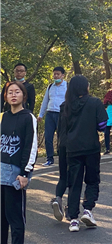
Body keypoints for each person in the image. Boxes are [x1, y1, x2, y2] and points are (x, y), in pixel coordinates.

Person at [62, 75, 108, 232]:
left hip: (72, 149)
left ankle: (73, 219)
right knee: (92, 180)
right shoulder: (94, 102)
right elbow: (102, 125)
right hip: (91, 147)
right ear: (86, 87)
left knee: (74, 183)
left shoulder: (65, 106)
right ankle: (88, 210)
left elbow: (63, 130)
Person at [1, 81, 38, 244]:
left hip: (15, 174)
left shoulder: (28, 117)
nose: (13, 95)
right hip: (0, 171)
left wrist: (25, 173)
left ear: (24, 95)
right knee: (1, 219)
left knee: (15, 218)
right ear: (5, 96)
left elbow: (31, 146)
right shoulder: (3, 117)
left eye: (17, 92)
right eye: (10, 92)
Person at [38, 66, 67, 166]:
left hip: (61, 114)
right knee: (48, 137)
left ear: (63, 75)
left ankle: (62, 157)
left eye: (58, 74)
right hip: (50, 114)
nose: (55, 76)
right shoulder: (50, 87)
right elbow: (45, 101)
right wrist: (41, 114)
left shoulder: (67, 86)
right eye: (54, 74)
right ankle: (49, 158)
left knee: (61, 137)